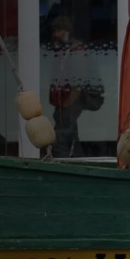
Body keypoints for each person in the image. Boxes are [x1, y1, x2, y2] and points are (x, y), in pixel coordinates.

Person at [46, 15, 105, 157]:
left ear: (67, 31)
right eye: (54, 31)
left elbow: (77, 85)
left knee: (59, 138)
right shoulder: (64, 51)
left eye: (59, 30)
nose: (56, 35)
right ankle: (78, 161)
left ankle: (64, 166)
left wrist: (66, 105)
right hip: (65, 103)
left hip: (72, 101)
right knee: (71, 137)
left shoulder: (76, 51)